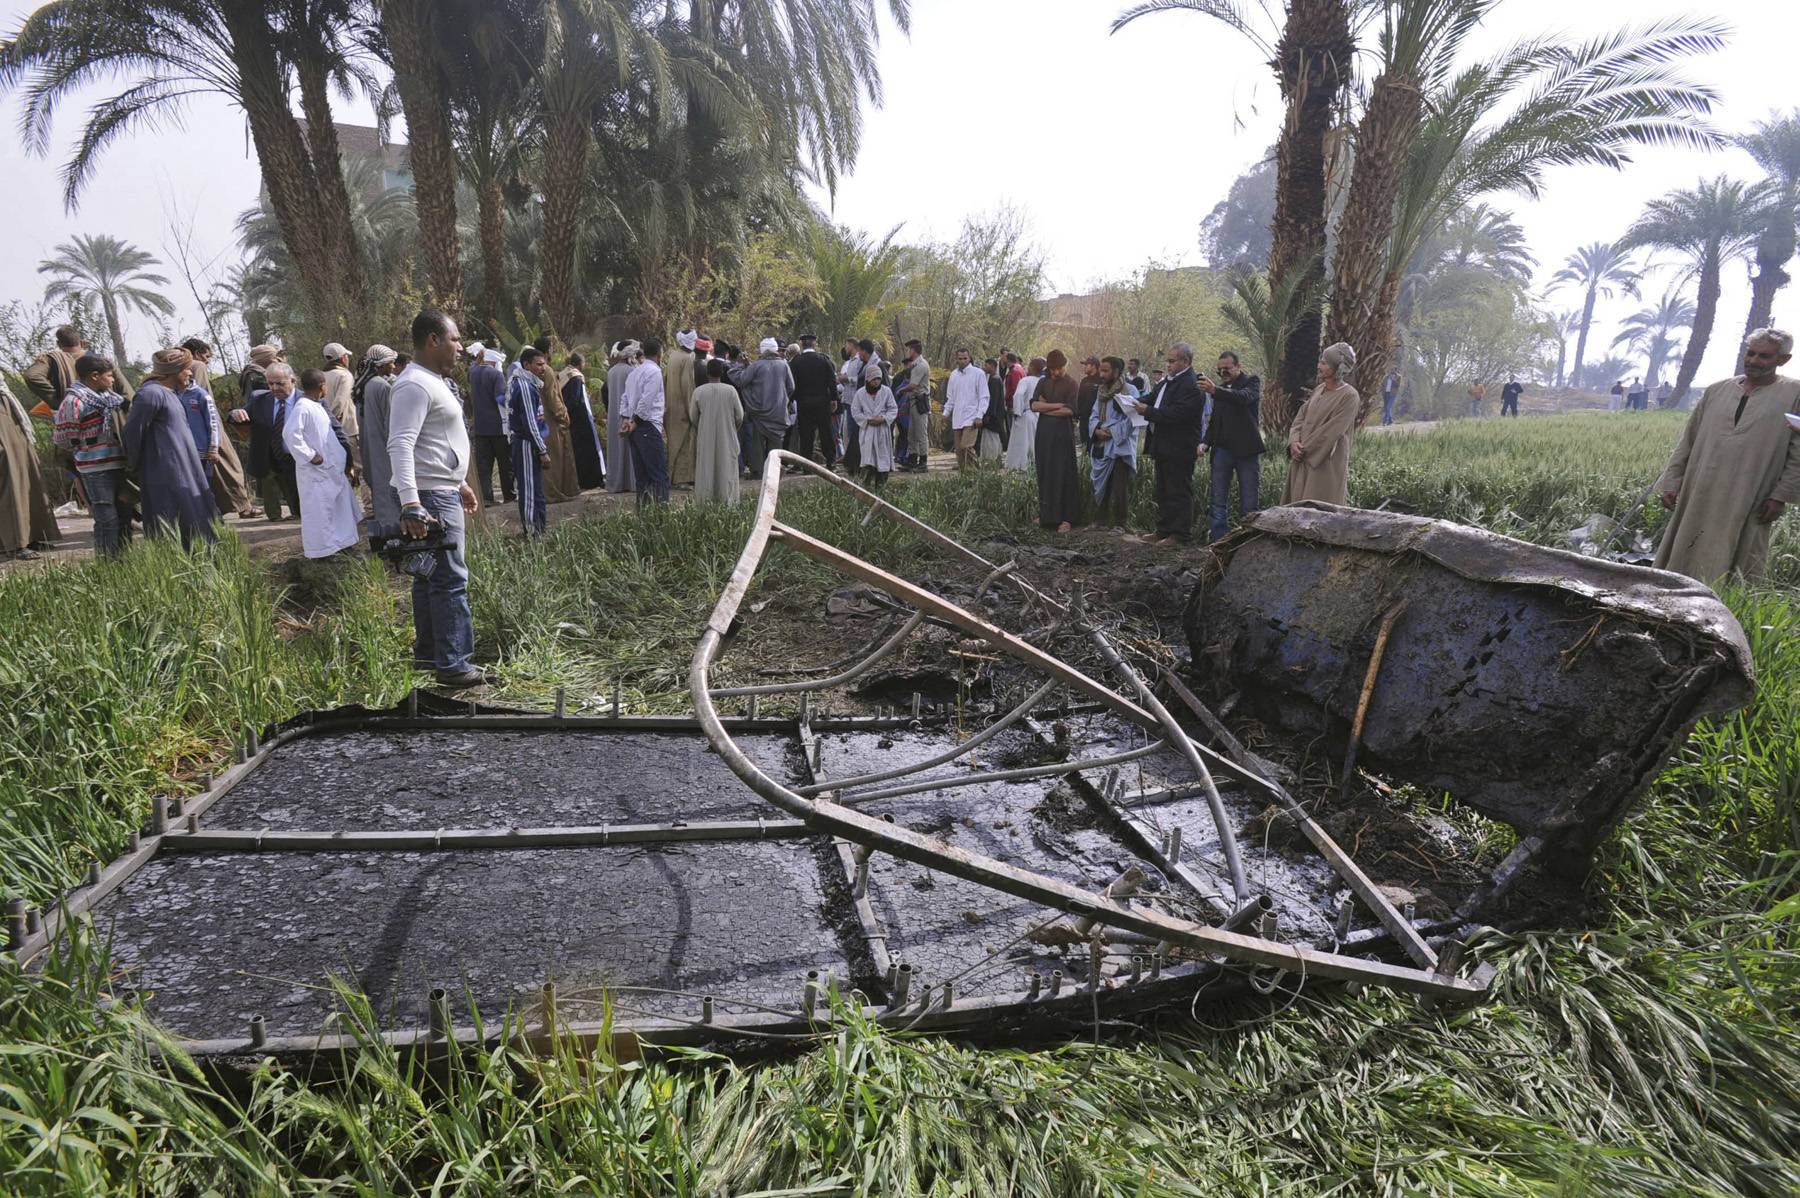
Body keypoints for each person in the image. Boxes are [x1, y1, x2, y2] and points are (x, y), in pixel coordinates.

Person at [1653, 327, 1800, 584]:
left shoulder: (1795, 394)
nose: (1753, 360)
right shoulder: (1716, 391)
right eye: (1750, 353)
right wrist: (1672, 482)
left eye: (1763, 356)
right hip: (1698, 490)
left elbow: (1798, 452)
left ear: (1783, 359)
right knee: (1684, 551)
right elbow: (1688, 441)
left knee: (1736, 561)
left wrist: (1781, 496)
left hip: (1751, 493)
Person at [388, 310, 482, 688]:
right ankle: (454, 664)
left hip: (440, 490)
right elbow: (401, 443)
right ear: (433, 340)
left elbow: (433, 444)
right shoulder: (414, 385)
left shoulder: (430, 381)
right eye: (455, 339)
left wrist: (459, 482)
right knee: (449, 579)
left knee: (428, 576)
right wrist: (412, 503)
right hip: (430, 499)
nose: (460, 346)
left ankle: (430, 654)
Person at [123, 348, 216, 548]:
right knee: (171, 514)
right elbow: (132, 433)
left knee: (193, 513)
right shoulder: (150, 394)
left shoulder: (171, 393)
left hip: (185, 466)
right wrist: (134, 465)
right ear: (174, 371)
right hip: (166, 470)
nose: (190, 373)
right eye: (187, 369)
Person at [52, 353, 132, 557]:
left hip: (116, 463)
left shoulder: (109, 398)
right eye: (110, 376)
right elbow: (63, 438)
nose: (113, 380)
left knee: (124, 514)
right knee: (107, 517)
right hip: (95, 468)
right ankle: (108, 562)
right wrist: (84, 446)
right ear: (94, 376)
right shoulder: (74, 402)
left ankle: (125, 559)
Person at [282, 367, 362, 559]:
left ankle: (343, 545)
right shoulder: (302, 407)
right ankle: (325, 552)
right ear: (322, 386)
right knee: (321, 514)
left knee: (339, 510)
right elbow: (290, 434)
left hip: (331, 471)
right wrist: (310, 455)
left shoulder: (316, 405)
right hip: (316, 475)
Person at [1135, 343, 1206, 545]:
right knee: (1163, 489)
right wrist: (1131, 402)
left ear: (1185, 361)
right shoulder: (1168, 381)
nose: (1168, 364)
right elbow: (1152, 398)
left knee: (1179, 490)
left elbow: (1177, 413)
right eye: (1168, 360)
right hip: (1163, 444)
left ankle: (1180, 534)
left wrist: (1146, 412)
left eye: (1172, 361)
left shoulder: (1192, 384)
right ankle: (1163, 530)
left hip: (1180, 446)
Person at [181, 337, 257, 518]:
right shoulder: (197, 366)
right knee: (231, 465)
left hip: (191, 430)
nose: (207, 361)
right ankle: (243, 506)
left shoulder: (178, 369)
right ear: (197, 353)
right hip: (207, 425)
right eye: (207, 356)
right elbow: (199, 396)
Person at [1284, 343, 1361, 505]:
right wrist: (1294, 442)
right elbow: (1300, 417)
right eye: (1320, 361)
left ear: (1337, 368)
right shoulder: (1319, 389)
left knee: (1318, 513)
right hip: (1301, 459)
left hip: (1324, 465)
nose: (1319, 366)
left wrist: (1304, 450)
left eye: (1324, 363)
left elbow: (1331, 432)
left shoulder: (1349, 396)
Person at [1205, 351, 1265, 541]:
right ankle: (1219, 543)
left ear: (1239, 366)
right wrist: (1205, 442)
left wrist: (1216, 391)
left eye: (1227, 369)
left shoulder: (1251, 382)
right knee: (1217, 500)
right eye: (1220, 370)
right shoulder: (1220, 389)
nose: (1223, 373)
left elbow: (1243, 398)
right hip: (1222, 449)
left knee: (1249, 503)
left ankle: (1248, 542)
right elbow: (1215, 420)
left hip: (1246, 450)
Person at [2, 376, 62, 561]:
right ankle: (14, 542)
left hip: (9, 413)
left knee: (28, 475)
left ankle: (33, 535)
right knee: (9, 477)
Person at [244, 361, 302, 523]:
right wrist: (236, 414)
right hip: (268, 453)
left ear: (292, 381)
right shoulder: (259, 399)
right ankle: (274, 516)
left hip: (296, 456)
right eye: (271, 383)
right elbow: (243, 414)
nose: (274, 388)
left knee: (294, 488)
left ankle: (298, 514)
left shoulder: (306, 400)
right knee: (269, 484)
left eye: (280, 383)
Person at [730, 338, 796, 478]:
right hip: (778, 413)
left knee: (757, 444)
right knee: (776, 444)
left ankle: (758, 472)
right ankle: (774, 472)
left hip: (759, 413)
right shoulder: (784, 366)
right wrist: (781, 400)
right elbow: (791, 387)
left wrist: (741, 365)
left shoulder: (757, 366)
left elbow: (742, 380)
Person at [355, 345, 402, 534]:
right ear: (381, 364)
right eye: (390, 363)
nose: (393, 366)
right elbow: (390, 422)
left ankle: (385, 528)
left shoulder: (364, 385)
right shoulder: (382, 386)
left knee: (379, 485)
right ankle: (394, 530)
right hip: (384, 446)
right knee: (388, 486)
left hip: (369, 445)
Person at [620, 337, 671, 506]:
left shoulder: (634, 372)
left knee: (642, 477)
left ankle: (644, 516)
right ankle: (661, 517)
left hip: (635, 428)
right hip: (647, 425)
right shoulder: (655, 372)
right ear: (659, 353)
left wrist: (627, 420)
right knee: (658, 476)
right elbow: (646, 401)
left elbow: (625, 399)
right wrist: (634, 421)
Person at [508, 347, 553, 536]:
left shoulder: (528, 383)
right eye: (539, 364)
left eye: (544, 364)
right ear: (527, 365)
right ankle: (532, 533)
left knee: (537, 491)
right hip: (527, 444)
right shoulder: (525, 387)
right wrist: (542, 450)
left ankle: (540, 530)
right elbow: (530, 423)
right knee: (529, 492)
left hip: (530, 443)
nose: (543, 368)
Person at [1089, 356, 1137, 529]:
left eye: (1105, 370)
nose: (1101, 374)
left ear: (1116, 372)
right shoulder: (1101, 391)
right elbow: (1094, 414)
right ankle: (1100, 521)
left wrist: (1113, 432)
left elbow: (1133, 419)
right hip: (1102, 443)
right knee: (1101, 484)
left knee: (1119, 486)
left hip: (1120, 446)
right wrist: (1097, 430)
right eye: (1101, 370)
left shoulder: (1130, 391)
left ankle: (1121, 524)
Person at [463, 341, 513, 505]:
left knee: (484, 466)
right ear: (494, 361)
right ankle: (509, 495)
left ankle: (486, 498)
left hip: (480, 427)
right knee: (505, 464)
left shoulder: (473, 372)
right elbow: (500, 398)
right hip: (498, 427)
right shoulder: (496, 375)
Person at [690, 357, 744, 504]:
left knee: (706, 471)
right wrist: (731, 428)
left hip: (705, 438)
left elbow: (693, 418)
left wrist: (702, 428)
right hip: (727, 438)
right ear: (722, 373)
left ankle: (705, 505)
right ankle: (728, 506)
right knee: (726, 471)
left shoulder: (698, 392)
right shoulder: (731, 391)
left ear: (707, 373)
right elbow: (740, 416)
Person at [791, 333, 839, 469]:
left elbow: (792, 384)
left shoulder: (796, 361)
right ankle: (831, 461)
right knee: (826, 432)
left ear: (802, 344)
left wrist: (792, 400)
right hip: (822, 401)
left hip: (803, 402)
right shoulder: (823, 360)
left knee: (806, 434)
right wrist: (834, 399)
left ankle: (806, 465)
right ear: (814, 344)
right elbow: (832, 381)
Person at [559, 354, 606, 490]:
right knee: (588, 451)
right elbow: (576, 401)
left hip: (570, 420)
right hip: (581, 421)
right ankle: (592, 481)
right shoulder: (576, 378)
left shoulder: (563, 375)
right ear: (580, 364)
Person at [851, 369, 899, 490]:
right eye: (874, 379)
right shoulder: (860, 394)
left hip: (882, 431)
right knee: (868, 461)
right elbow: (855, 411)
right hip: (867, 431)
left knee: (883, 462)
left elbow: (893, 408)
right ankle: (865, 489)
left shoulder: (886, 392)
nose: (876, 382)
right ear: (868, 379)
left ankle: (881, 489)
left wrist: (883, 419)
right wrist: (867, 420)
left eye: (878, 379)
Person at [665, 329, 700, 488]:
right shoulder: (687, 359)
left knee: (673, 443)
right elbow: (688, 386)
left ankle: (672, 477)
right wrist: (692, 409)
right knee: (685, 444)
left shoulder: (672, 356)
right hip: (682, 408)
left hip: (670, 406)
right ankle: (682, 480)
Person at [604, 341, 638, 493]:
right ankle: (630, 483)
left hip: (613, 415)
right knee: (629, 449)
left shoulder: (611, 371)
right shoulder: (631, 371)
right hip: (627, 415)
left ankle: (616, 483)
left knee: (616, 449)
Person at [320, 342, 360, 472]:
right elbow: (340, 402)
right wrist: (333, 420)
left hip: (328, 430)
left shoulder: (321, 375)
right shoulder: (345, 375)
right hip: (347, 428)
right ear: (343, 358)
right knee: (358, 467)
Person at [946, 349, 987, 471]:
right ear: (956, 359)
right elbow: (950, 398)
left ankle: (976, 472)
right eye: (960, 358)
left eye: (965, 358)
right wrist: (945, 414)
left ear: (970, 358)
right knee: (959, 451)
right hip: (958, 417)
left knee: (966, 446)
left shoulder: (978, 373)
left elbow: (984, 396)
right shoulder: (954, 375)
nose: (962, 361)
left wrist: (980, 415)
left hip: (972, 417)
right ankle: (965, 478)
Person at [1005, 357, 1043, 472]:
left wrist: (1017, 411)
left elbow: (1018, 395)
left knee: (1022, 442)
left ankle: (1021, 465)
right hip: (1040, 415)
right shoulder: (1043, 381)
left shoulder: (1025, 380)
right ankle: (1035, 464)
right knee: (1036, 441)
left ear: (1031, 367)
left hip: (1026, 414)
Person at [902, 339, 932, 472]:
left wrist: (900, 391)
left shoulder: (920, 365)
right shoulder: (914, 365)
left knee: (921, 433)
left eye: (909, 349)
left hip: (920, 401)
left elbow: (913, 385)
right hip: (914, 401)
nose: (908, 352)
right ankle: (912, 460)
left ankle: (923, 462)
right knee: (912, 433)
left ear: (913, 351)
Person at [980, 357, 1007, 461]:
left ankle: (992, 459)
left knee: (992, 437)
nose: (984, 367)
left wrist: (989, 415)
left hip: (994, 416)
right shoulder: (993, 378)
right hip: (995, 414)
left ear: (992, 366)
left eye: (986, 365)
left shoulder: (995, 380)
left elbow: (993, 399)